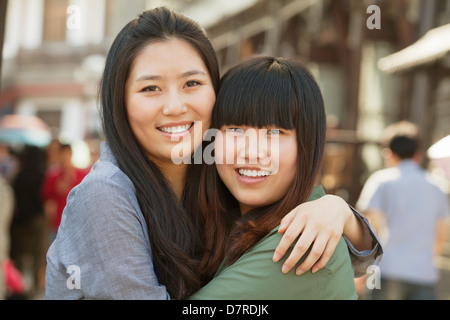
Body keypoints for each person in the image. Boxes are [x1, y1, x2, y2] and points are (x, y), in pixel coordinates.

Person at [45, 7, 380, 300]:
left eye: (192, 83)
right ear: (119, 100)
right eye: (150, 88)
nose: (175, 106)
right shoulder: (106, 195)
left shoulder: (212, 184)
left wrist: (341, 214)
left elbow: (343, 263)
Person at [189, 56, 357, 299]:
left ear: (308, 144)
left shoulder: (299, 244)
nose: (251, 152)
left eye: (274, 132)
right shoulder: (232, 220)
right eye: (235, 130)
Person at [356, 121, 449, 300]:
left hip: (386, 270)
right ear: (418, 155)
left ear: (388, 154)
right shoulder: (436, 187)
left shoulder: (381, 181)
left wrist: (361, 274)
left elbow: (368, 231)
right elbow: (441, 233)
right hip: (424, 273)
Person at [10, 146, 47, 297]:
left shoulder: (19, 175)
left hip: (20, 222)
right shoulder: (41, 175)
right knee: (37, 255)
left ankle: (18, 288)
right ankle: (33, 287)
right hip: (36, 220)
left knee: (20, 255)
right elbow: (43, 197)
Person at [41, 143, 89, 240]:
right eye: (63, 154)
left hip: (78, 224)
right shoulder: (53, 176)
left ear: (71, 154)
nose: (65, 158)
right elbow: (46, 197)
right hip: (58, 225)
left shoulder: (83, 175)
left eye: (67, 154)